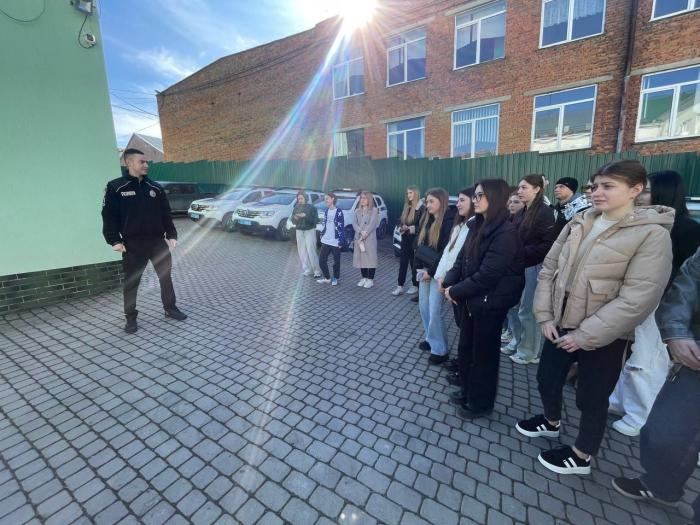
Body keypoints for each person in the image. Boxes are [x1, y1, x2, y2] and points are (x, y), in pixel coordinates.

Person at [516, 159, 673, 475]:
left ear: (635, 189)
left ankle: (582, 455)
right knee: (547, 378)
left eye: (608, 186)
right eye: (595, 186)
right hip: (560, 324)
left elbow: (638, 298)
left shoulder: (651, 235)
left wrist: (584, 336)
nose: (597, 192)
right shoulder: (580, 221)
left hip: (606, 336)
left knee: (591, 397)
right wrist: (545, 316)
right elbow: (549, 269)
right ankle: (550, 421)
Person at [612, 248, 700, 522]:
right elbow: (688, 281)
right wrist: (676, 332)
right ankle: (662, 486)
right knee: (663, 433)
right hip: (695, 358)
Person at [610, 170, 700, 436]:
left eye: (646, 191)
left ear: (665, 193)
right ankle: (620, 400)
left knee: (647, 360)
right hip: (633, 300)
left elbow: (685, 279)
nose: (639, 196)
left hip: (659, 306)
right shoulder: (642, 222)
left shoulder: (686, 230)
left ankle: (642, 415)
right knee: (627, 355)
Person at [442, 179, 525, 419]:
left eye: (480, 196)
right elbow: (461, 260)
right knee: (467, 349)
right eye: (475, 196)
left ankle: (480, 403)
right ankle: (467, 390)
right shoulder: (477, 224)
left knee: (484, 356)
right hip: (473, 300)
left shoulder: (506, 233)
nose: (475, 200)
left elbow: (488, 275)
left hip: (491, 303)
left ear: (495, 198)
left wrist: (455, 291)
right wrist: (448, 282)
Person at [101, 148, 187, 334]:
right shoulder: (116, 187)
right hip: (133, 245)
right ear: (129, 163)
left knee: (165, 277)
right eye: (142, 161)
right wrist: (114, 240)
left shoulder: (155, 188)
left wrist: (171, 234)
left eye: (147, 162)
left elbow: (166, 213)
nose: (146, 165)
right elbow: (109, 216)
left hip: (157, 243)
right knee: (131, 282)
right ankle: (130, 317)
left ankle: (170, 308)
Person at [504, 175, 556, 365]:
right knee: (514, 307)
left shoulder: (544, 212)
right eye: (519, 187)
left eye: (524, 187)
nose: (519, 191)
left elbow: (548, 245)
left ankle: (529, 352)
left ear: (537, 189)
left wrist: (520, 252)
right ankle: (517, 342)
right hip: (517, 267)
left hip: (533, 267)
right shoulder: (522, 211)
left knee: (527, 311)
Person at [423, 187, 475, 366]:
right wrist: (440, 277)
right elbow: (448, 253)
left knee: (465, 325)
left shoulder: (473, 227)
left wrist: (440, 277)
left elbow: (457, 259)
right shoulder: (459, 225)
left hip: (459, 282)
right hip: (446, 279)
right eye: (458, 200)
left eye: (462, 200)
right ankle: (462, 361)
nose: (458, 204)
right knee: (460, 323)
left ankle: (462, 362)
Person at [414, 188, 456, 357]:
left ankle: (440, 350)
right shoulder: (428, 219)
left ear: (442, 202)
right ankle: (431, 338)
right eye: (427, 201)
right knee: (423, 307)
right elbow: (419, 245)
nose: (427, 205)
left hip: (438, 274)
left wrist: (430, 273)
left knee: (434, 310)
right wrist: (420, 268)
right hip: (425, 270)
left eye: (431, 201)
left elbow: (444, 253)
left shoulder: (449, 222)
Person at [501, 193, 524, 347]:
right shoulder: (509, 220)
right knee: (510, 308)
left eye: (516, 202)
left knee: (518, 308)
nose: (511, 205)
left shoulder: (520, 223)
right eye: (510, 202)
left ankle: (516, 337)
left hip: (518, 270)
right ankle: (509, 330)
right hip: (507, 270)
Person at [393, 186, 423, 296]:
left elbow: (422, 226)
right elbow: (399, 220)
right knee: (403, 263)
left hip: (415, 240)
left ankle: (415, 285)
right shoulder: (407, 205)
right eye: (407, 193)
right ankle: (400, 286)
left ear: (416, 193)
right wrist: (402, 226)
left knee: (414, 263)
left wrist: (410, 228)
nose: (408, 195)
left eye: (410, 192)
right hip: (405, 238)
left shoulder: (421, 207)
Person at [317, 192, 345, 286]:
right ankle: (327, 278)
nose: (325, 201)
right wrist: (322, 234)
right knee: (321, 260)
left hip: (335, 241)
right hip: (326, 240)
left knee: (336, 261)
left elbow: (341, 227)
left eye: (327, 199)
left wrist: (341, 240)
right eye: (325, 199)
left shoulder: (339, 211)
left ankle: (335, 278)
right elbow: (325, 225)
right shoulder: (326, 211)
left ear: (333, 199)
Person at [291, 191, 321, 278]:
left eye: (301, 198)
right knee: (302, 251)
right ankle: (307, 269)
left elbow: (315, 220)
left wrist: (305, 216)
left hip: (309, 231)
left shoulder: (312, 208)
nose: (300, 200)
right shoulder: (296, 207)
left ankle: (317, 271)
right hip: (299, 231)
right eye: (298, 199)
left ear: (306, 198)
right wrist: (295, 218)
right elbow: (293, 221)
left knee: (311, 250)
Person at [353, 191, 379, 288]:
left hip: (369, 239)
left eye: (364, 198)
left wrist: (365, 233)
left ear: (369, 199)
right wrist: (360, 231)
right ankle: (364, 277)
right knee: (361, 258)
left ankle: (370, 279)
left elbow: (372, 224)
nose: (362, 200)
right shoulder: (357, 211)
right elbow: (354, 223)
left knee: (371, 259)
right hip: (359, 238)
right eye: (361, 198)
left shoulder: (374, 210)